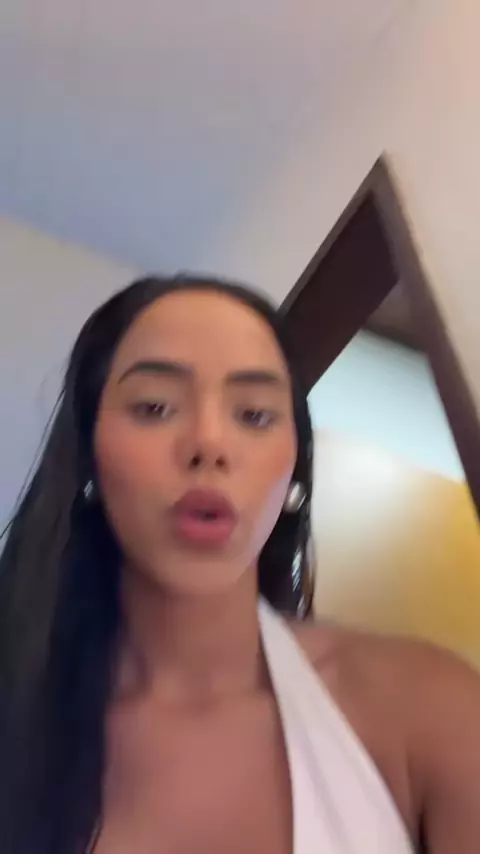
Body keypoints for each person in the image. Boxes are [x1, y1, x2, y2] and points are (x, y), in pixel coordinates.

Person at [0, 275, 479, 854]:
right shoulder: (18, 710)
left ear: (294, 472)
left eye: (253, 415)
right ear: (88, 459)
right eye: (155, 407)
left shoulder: (428, 709)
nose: (209, 444)